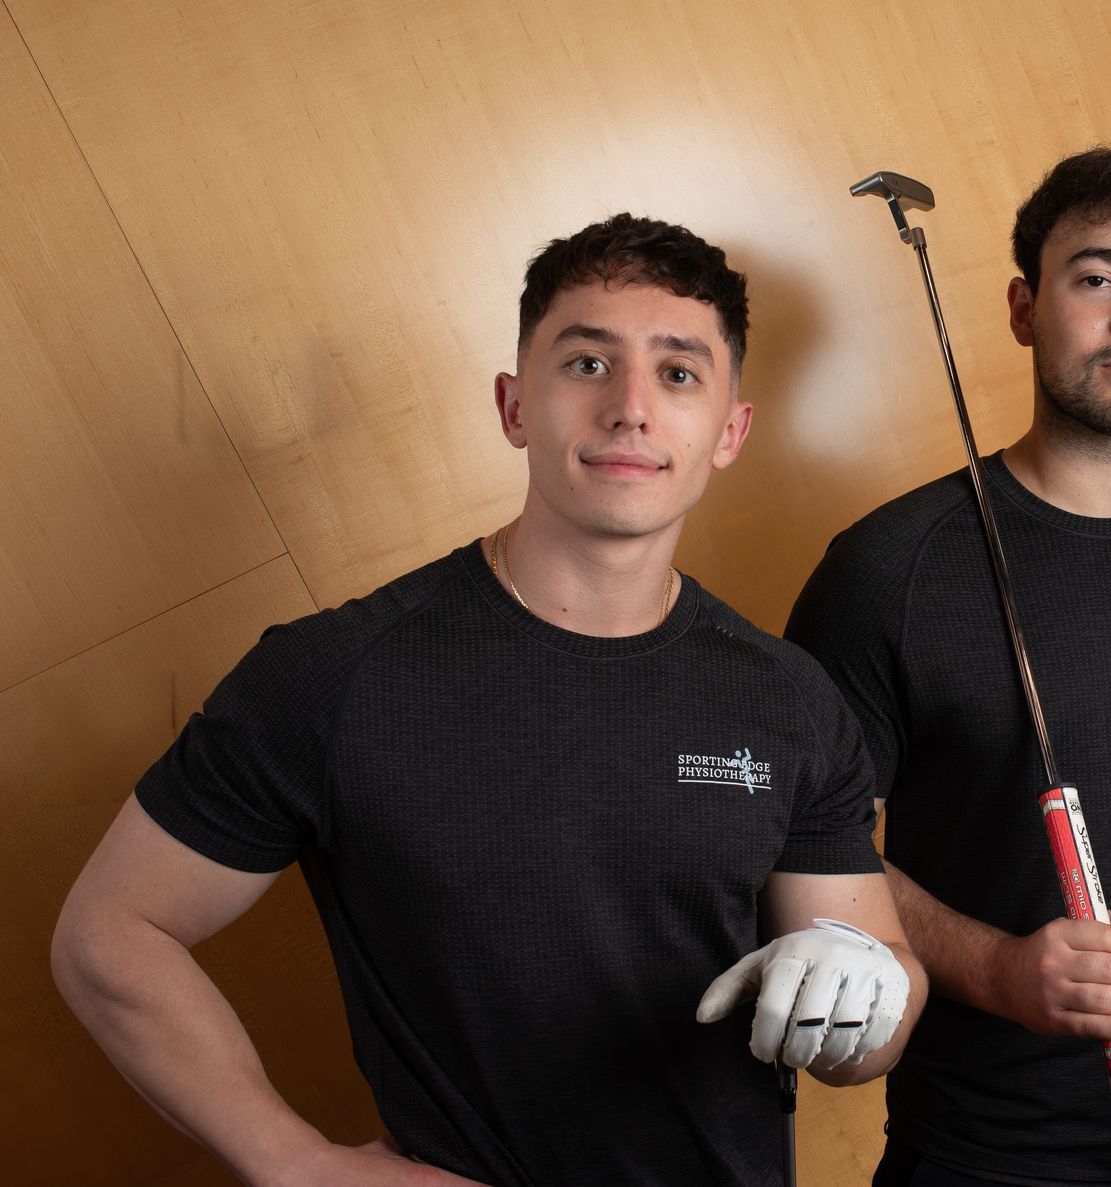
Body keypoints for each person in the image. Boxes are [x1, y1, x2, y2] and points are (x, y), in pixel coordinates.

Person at [51, 213, 926, 1187]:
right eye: (588, 364)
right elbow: (106, 932)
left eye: (677, 372)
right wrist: (293, 1160)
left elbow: (871, 1005)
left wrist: (871, 986)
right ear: (515, 405)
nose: (630, 408)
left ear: (729, 430)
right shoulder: (336, 673)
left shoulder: (788, 698)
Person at [788, 146, 1111, 1184]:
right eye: (1096, 276)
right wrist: (1002, 968)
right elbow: (806, 846)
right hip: (996, 1151)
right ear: (1025, 307)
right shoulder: (887, 570)